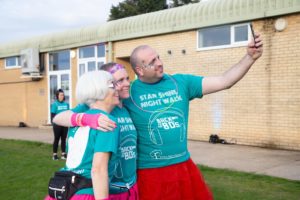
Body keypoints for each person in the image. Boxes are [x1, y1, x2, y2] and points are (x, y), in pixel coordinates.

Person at [55, 34, 263, 199]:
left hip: (183, 169)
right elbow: (61, 117)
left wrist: (250, 57)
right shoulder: (126, 92)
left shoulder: (181, 83)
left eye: (158, 57)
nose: (160, 63)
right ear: (140, 69)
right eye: (152, 61)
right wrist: (85, 119)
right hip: (149, 174)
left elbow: (224, 81)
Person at [53, 63, 139, 200]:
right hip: (103, 189)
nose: (126, 84)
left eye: (128, 78)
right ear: (100, 88)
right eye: (118, 81)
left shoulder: (126, 106)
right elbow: (58, 118)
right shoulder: (97, 111)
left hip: (128, 185)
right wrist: (85, 118)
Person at [45, 70, 120, 200]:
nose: (117, 87)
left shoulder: (78, 118)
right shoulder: (106, 122)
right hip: (85, 192)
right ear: (99, 90)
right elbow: (98, 170)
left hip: (65, 189)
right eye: (112, 85)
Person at [50, 89, 69, 160]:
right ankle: (54, 154)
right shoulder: (55, 104)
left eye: (63, 95)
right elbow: (52, 116)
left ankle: (63, 154)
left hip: (64, 124)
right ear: (57, 96)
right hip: (57, 125)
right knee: (57, 139)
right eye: (61, 95)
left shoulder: (66, 104)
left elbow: (67, 114)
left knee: (64, 139)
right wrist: (55, 123)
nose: (62, 96)